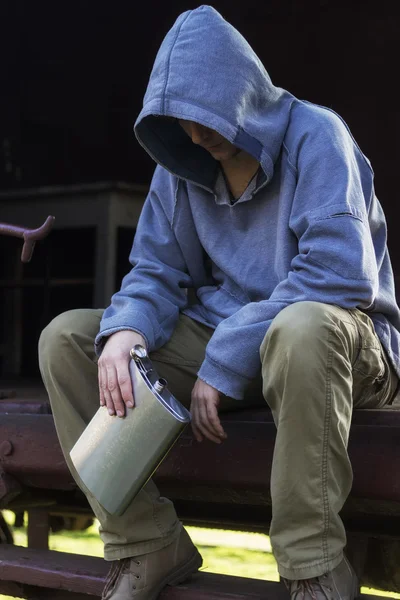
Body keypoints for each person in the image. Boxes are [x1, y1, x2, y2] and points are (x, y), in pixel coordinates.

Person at [38, 5, 400, 600]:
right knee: (71, 340)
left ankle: (314, 570)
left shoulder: (317, 135)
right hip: (227, 341)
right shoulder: (184, 162)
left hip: (336, 344)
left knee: (302, 327)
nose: (194, 134)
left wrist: (228, 353)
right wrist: (127, 327)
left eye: (205, 117)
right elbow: (156, 269)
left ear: (241, 93)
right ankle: (146, 543)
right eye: (178, 120)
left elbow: (339, 275)